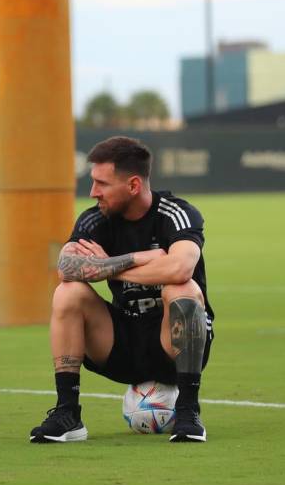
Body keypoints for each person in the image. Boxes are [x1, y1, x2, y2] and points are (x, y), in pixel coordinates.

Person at [29, 136, 214, 444]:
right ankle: (67, 414)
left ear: (133, 186)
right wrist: (140, 259)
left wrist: (107, 266)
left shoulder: (176, 213)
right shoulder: (95, 219)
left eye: (102, 183)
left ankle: (188, 411)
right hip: (123, 341)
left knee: (182, 289)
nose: (93, 192)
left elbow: (180, 268)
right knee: (67, 292)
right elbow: (66, 267)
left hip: (173, 343)